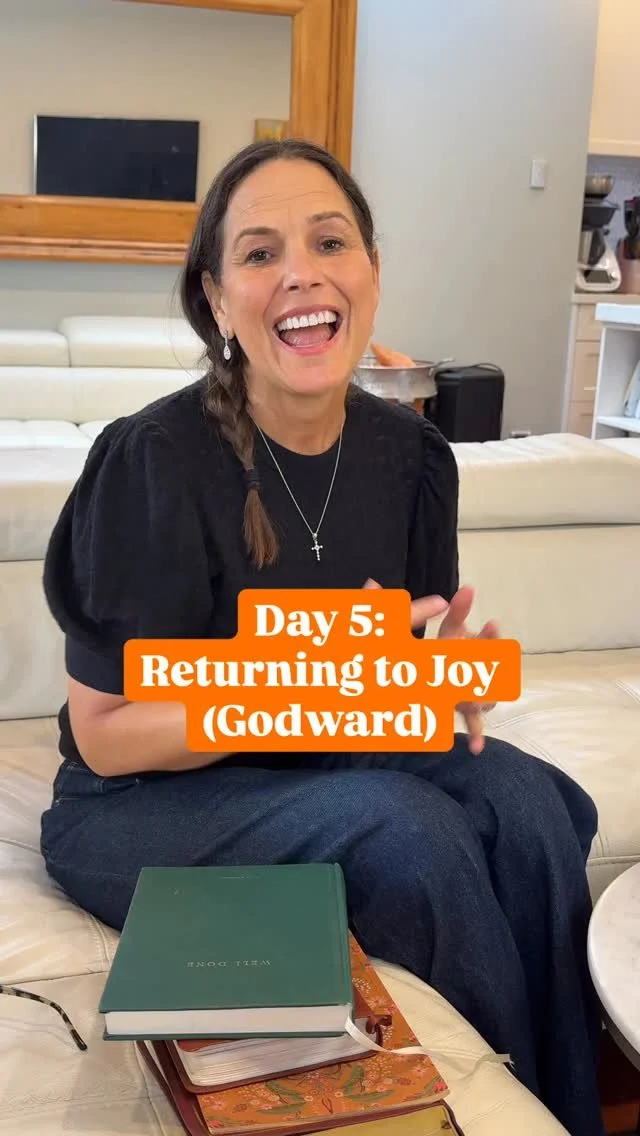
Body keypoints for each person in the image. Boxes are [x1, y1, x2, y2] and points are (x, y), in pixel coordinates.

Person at [40, 138, 603, 1136]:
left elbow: (386, 674)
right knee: (408, 829)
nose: (300, 271)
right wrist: (301, 686)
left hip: (323, 759)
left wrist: (433, 679)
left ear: (371, 272)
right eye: (260, 253)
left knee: (530, 802)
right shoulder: (153, 461)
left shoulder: (412, 457)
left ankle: (567, 1111)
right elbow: (106, 734)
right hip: (141, 803)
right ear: (218, 300)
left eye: (329, 242)